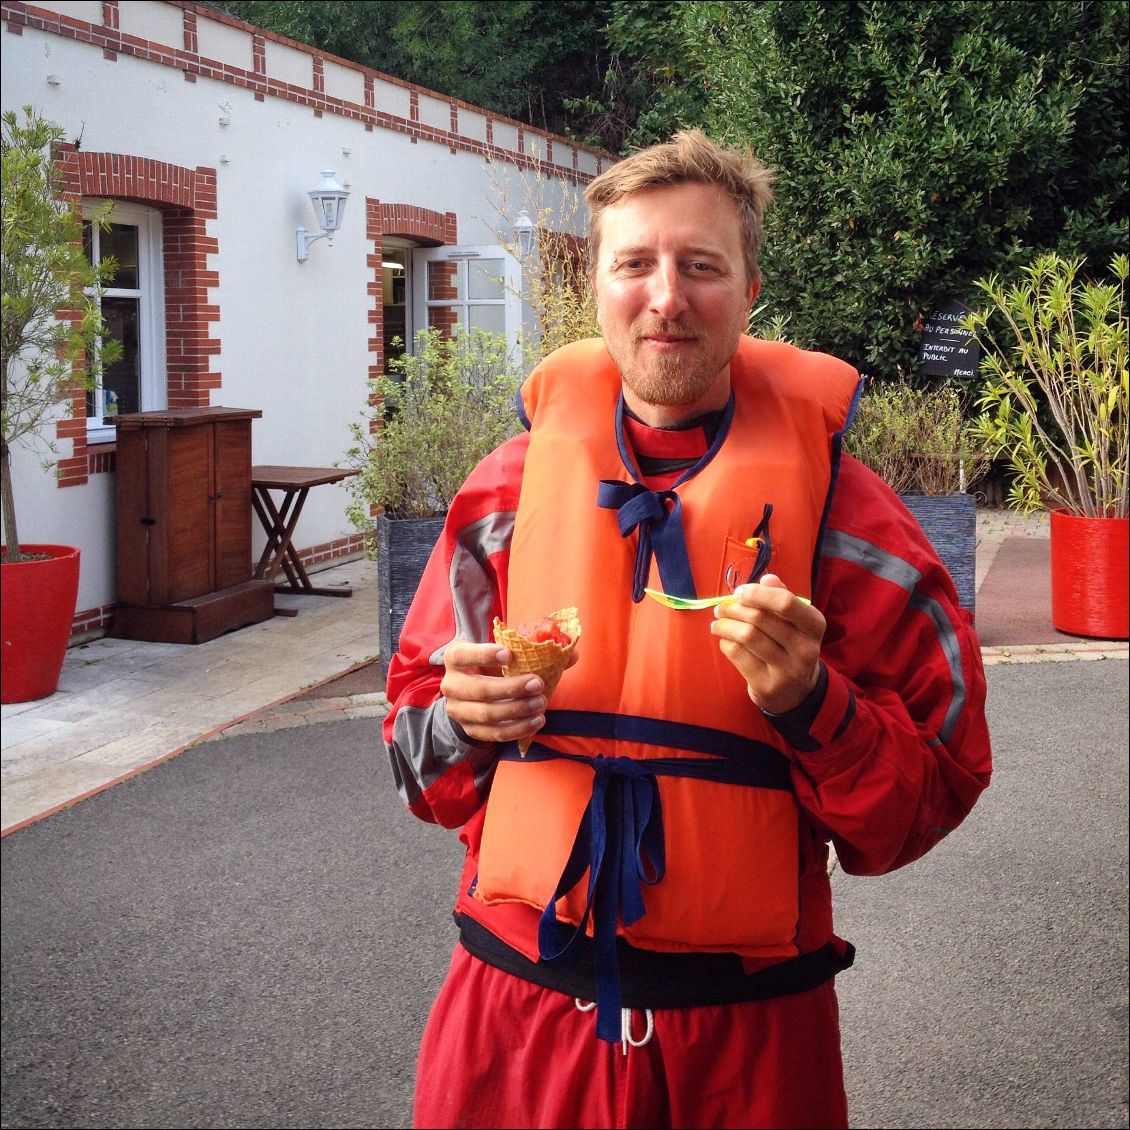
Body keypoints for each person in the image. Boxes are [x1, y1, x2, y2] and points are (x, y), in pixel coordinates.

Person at [383, 129, 992, 1129]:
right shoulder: (506, 489)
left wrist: (815, 705)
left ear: (748, 286)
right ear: (596, 286)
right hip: (515, 1020)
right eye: (635, 264)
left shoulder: (848, 514)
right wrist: (461, 719)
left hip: (747, 1041)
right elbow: (416, 770)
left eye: (700, 265)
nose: (666, 296)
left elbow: (926, 798)